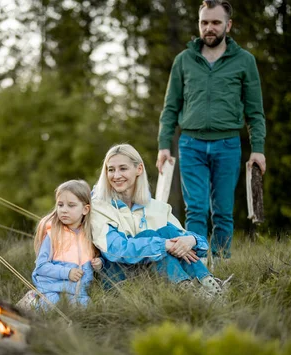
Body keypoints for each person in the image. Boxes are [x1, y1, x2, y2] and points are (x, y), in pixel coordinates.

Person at [156, 0, 266, 263]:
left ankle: (222, 263)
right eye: (204, 22)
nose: (209, 28)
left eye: (216, 22)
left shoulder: (244, 61)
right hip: (191, 144)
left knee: (223, 212)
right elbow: (170, 107)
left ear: (228, 25)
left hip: (228, 145)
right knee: (195, 210)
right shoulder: (183, 61)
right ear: (199, 24)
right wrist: (163, 145)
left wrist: (258, 149)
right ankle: (198, 267)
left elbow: (255, 111)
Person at [90, 144, 223, 297]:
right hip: (117, 279)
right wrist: (163, 245)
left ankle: (209, 287)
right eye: (111, 169)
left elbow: (195, 245)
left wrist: (191, 240)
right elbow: (117, 250)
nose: (116, 175)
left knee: (168, 233)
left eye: (123, 168)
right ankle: (189, 291)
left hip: (154, 273)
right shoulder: (99, 207)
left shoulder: (157, 207)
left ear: (139, 169)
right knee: (152, 240)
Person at [21, 180, 103, 309]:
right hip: (51, 288)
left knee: (86, 309)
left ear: (85, 209)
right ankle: (32, 301)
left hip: (78, 291)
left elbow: (96, 257)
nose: (64, 210)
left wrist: (99, 263)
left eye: (71, 205)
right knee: (50, 309)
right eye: (60, 205)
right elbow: (41, 266)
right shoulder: (53, 234)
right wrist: (67, 272)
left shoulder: (89, 234)